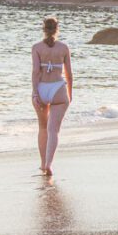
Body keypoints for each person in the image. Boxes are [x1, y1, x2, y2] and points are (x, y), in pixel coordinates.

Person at [32, 16, 73, 177]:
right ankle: (49, 164)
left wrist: (35, 93)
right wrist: (70, 93)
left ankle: (42, 164)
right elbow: (69, 74)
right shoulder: (64, 47)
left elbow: (36, 72)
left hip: (41, 88)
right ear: (57, 29)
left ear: (43, 29)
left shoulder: (36, 47)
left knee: (43, 128)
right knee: (53, 130)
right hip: (58, 89)